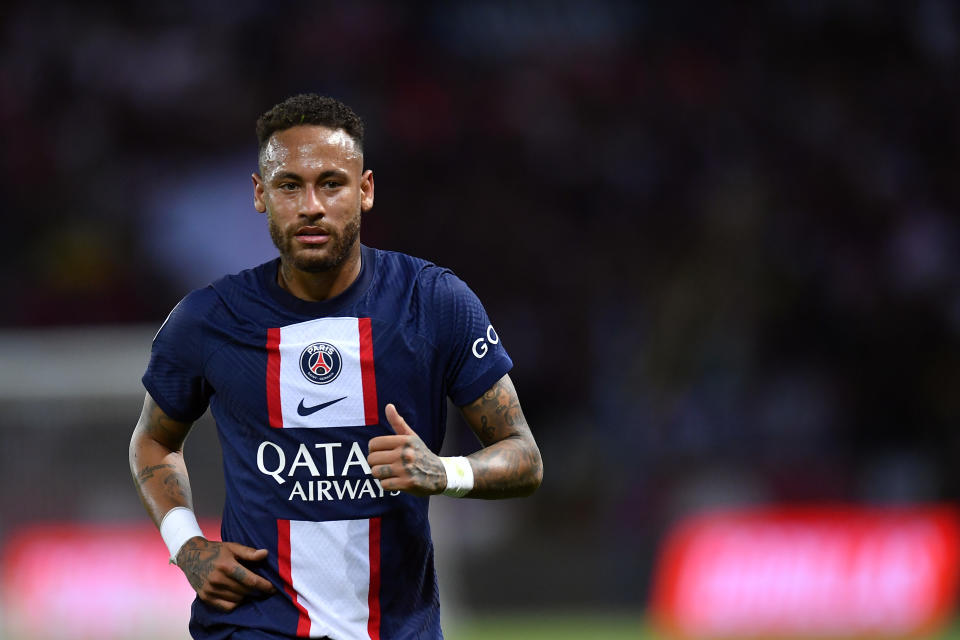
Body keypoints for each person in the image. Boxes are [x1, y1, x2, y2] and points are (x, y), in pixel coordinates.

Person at [128, 93, 543, 640]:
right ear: (260, 195)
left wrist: (445, 472)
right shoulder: (208, 319)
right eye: (289, 186)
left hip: (395, 627)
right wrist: (186, 545)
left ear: (365, 190)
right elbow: (153, 441)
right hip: (253, 626)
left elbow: (524, 457)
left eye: (331, 183)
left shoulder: (435, 303)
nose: (311, 207)